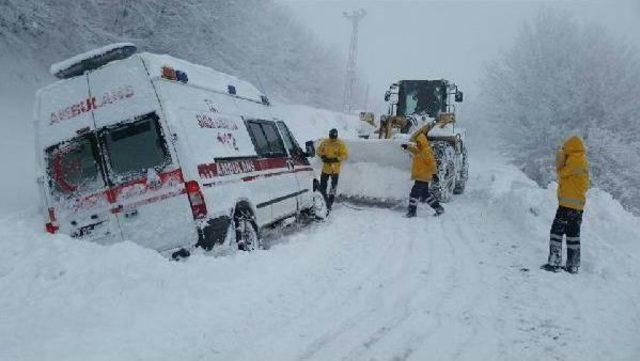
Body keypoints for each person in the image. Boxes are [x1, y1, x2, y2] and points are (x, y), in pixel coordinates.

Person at [543, 135, 590, 274]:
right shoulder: (582, 160)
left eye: (565, 148)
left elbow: (561, 172)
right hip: (577, 207)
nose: (564, 150)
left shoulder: (575, 160)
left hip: (567, 205)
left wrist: (560, 155)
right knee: (573, 235)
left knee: (556, 232)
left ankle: (554, 262)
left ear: (571, 148)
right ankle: (572, 265)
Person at [402, 132, 444, 217]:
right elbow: (414, 150)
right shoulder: (420, 150)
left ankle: (412, 212)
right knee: (425, 195)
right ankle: (438, 208)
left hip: (423, 177)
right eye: (417, 142)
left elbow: (432, 163)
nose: (417, 144)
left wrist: (434, 174)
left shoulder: (426, 152)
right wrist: (407, 147)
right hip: (421, 177)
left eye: (419, 142)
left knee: (414, 194)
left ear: (423, 142)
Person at [317, 128, 348, 211]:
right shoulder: (325, 142)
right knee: (323, 186)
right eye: (331, 137)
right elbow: (318, 151)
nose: (333, 139)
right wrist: (323, 156)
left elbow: (345, 155)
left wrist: (336, 159)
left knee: (333, 187)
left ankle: (330, 203)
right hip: (325, 169)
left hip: (335, 169)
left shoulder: (340, 144)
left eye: (334, 137)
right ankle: (323, 200)